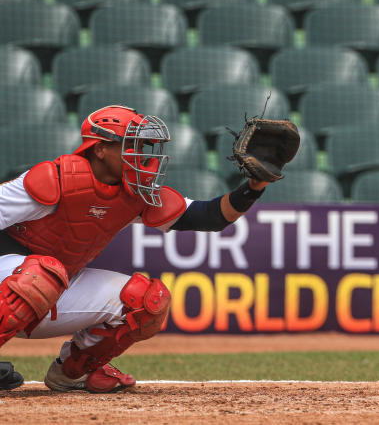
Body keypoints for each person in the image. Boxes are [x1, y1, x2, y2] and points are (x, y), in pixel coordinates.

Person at [0, 105, 284, 392]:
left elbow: (210, 216)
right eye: (132, 145)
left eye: (145, 146)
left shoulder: (134, 193)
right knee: (40, 275)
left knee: (145, 300)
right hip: (17, 280)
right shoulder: (53, 180)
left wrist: (254, 186)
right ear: (100, 149)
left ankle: (73, 372)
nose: (144, 155)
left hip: (47, 286)